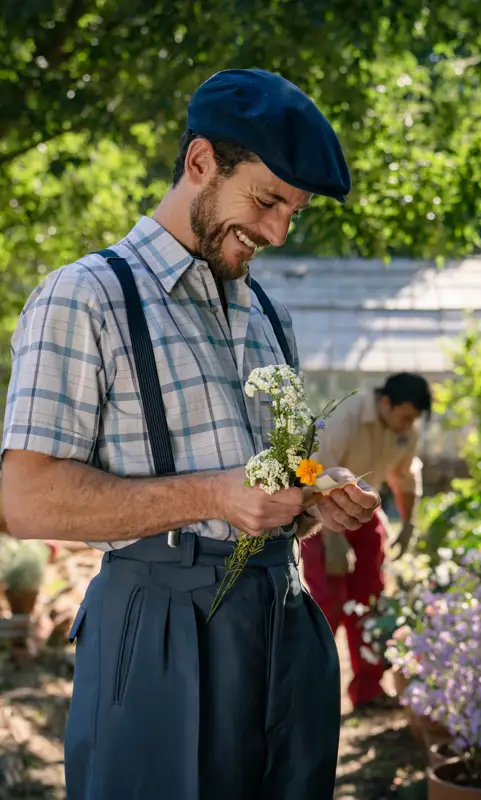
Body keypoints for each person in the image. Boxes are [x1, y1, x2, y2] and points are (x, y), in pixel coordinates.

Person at [1, 69, 382, 800]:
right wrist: (214, 494)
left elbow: (270, 480)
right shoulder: (86, 296)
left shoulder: (269, 312)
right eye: (267, 200)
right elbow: (25, 500)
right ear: (201, 161)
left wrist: (313, 498)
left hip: (286, 622)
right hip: (160, 629)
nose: (275, 231)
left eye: (292, 213)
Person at [301, 372, 431, 710]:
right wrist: (332, 537)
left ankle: (367, 692)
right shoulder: (345, 417)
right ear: (385, 403)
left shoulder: (406, 430)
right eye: (404, 417)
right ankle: (310, 696)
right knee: (327, 602)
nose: (408, 425)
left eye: (413, 420)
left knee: (369, 600)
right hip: (322, 513)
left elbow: (403, 477)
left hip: (365, 514)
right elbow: (315, 475)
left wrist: (408, 523)